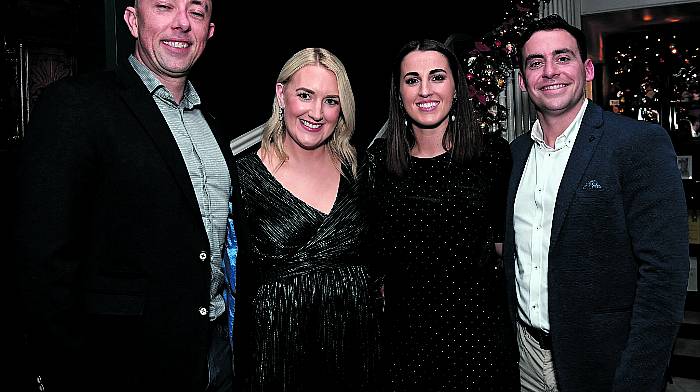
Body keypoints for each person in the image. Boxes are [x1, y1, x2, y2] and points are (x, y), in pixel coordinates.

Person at [12, 1, 244, 391]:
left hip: (216, 355)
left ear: (210, 31)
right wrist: (65, 371)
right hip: (123, 365)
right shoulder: (77, 105)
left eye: (197, 12)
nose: (182, 23)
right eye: (164, 6)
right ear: (133, 21)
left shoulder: (211, 122)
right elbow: (42, 258)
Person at [504, 14, 689, 391]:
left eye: (562, 57)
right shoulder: (514, 155)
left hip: (604, 363)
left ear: (587, 69)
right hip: (525, 356)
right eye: (535, 63)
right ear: (523, 81)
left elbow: (664, 275)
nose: (550, 71)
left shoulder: (637, 144)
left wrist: (639, 378)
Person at [364, 39, 518, 391]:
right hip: (405, 352)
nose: (425, 90)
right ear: (399, 94)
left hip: (480, 349)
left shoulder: (492, 158)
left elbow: (506, 247)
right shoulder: (377, 166)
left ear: (456, 88)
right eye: (412, 80)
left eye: (436, 77)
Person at [232, 47, 379, 391]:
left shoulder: (362, 172)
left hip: (356, 352)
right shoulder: (242, 179)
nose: (317, 112)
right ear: (281, 95)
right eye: (305, 95)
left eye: (331, 100)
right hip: (277, 357)